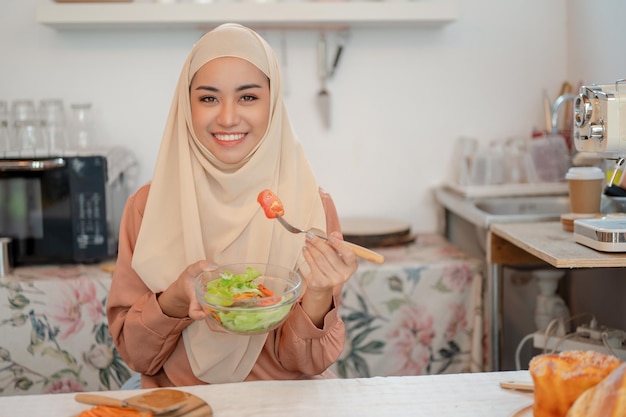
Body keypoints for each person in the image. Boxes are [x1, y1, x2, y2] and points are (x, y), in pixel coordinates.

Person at [107, 23, 358, 388]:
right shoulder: (148, 206)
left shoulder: (309, 207)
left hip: (285, 405)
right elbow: (135, 355)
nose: (227, 117)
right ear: (185, 104)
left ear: (273, 104)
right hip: (183, 404)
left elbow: (308, 365)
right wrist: (175, 299)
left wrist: (319, 295)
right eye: (208, 98)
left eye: (248, 97)